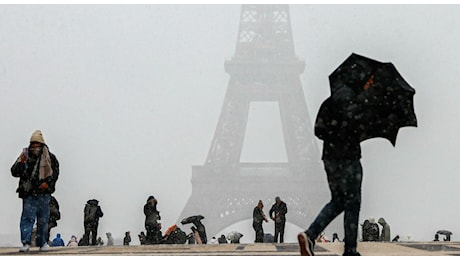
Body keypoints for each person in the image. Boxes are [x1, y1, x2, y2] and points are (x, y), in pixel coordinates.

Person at [298, 81, 365, 256]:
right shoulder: (357, 104)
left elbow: (318, 131)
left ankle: (310, 234)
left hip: (331, 159)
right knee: (352, 202)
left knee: (338, 200)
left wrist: (335, 132)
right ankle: (350, 249)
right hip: (349, 158)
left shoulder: (328, 104)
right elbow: (362, 129)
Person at [11, 130, 60, 252]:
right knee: (27, 218)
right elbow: (14, 172)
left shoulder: (50, 158)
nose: (34, 147)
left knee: (43, 219)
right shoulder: (25, 156)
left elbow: (55, 174)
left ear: (41, 144)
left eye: (36, 144)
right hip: (28, 193)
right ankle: (26, 242)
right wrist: (21, 163)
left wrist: (47, 185)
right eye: (32, 144)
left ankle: (42, 242)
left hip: (43, 194)